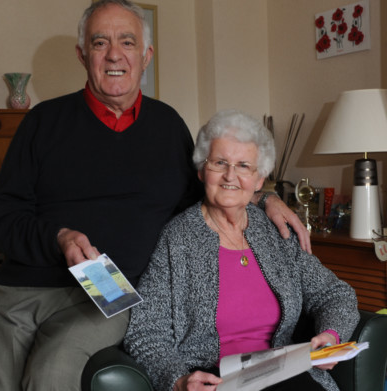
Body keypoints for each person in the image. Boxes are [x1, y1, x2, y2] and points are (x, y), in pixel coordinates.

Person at [0, 0, 311, 391]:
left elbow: (208, 192)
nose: (114, 54)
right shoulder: (42, 122)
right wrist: (59, 237)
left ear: (147, 55)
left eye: (128, 42)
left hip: (113, 290)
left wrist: (266, 198)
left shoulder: (168, 127)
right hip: (26, 290)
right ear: (82, 54)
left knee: (52, 368)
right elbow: (0, 219)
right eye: (100, 43)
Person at [124, 110, 360, 391]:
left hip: (284, 372)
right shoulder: (177, 240)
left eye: (244, 165)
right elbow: (145, 331)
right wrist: (177, 379)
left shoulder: (274, 230)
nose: (230, 176)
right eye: (219, 162)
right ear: (202, 170)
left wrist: (331, 334)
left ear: (259, 180)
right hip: (216, 378)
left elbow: (335, 293)